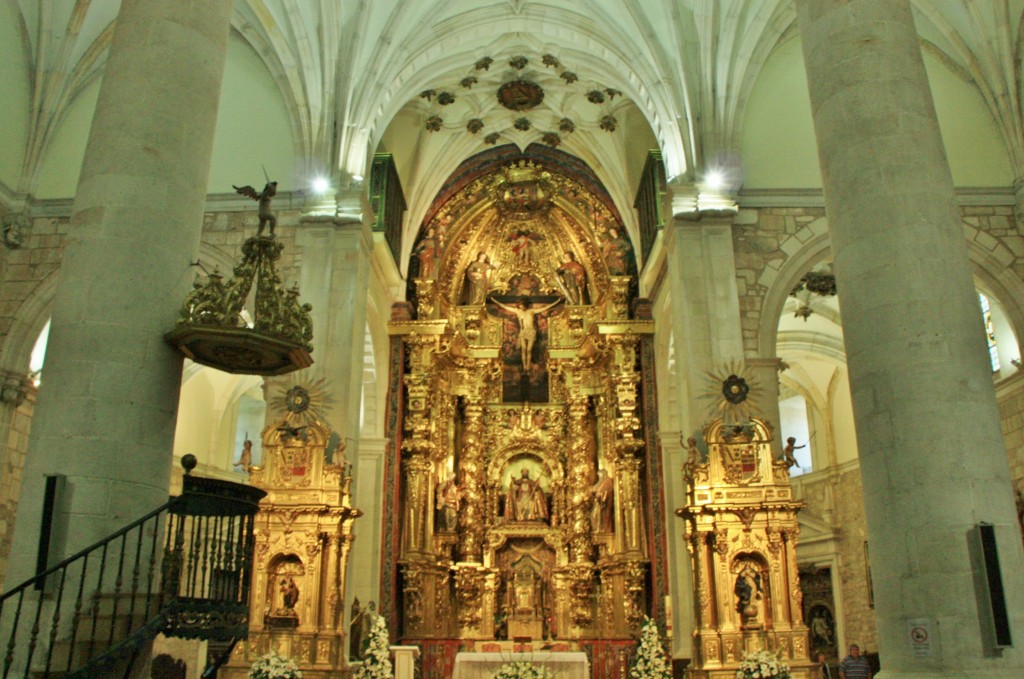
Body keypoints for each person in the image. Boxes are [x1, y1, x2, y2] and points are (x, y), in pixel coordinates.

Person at [490, 297, 561, 368]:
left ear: (525, 304)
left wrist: (558, 301)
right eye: (520, 305)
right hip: (523, 331)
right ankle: (525, 367)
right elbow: (504, 306)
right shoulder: (518, 311)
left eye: (522, 305)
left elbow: (546, 308)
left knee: (529, 349)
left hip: (531, 331)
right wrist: (493, 300)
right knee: (523, 349)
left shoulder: (532, 311)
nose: (521, 306)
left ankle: (528, 366)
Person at [590, 468, 615, 532]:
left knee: (596, 516)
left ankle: (602, 529)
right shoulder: (602, 481)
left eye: (600, 475)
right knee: (593, 516)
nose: (599, 477)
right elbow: (594, 489)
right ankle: (598, 529)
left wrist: (599, 495)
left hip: (603, 504)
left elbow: (605, 492)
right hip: (598, 503)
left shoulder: (607, 481)